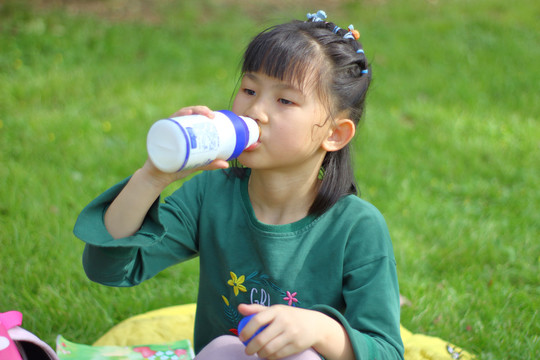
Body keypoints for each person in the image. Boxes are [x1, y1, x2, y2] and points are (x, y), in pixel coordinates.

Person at [74, 10, 404, 360]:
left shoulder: (357, 227)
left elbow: (385, 351)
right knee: (226, 348)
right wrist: (153, 176)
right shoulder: (211, 195)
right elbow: (108, 267)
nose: (256, 111)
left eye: (284, 100)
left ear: (335, 134)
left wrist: (320, 330)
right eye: (249, 89)